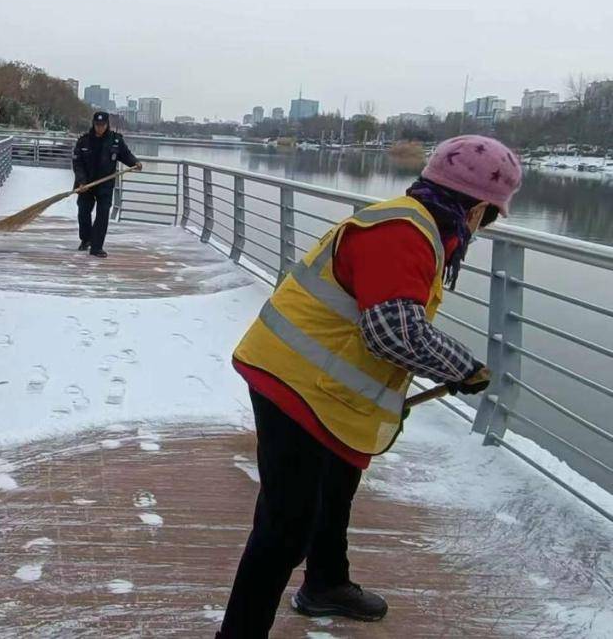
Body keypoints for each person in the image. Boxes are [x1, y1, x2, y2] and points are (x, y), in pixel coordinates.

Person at [217, 135, 523, 638]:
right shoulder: (403, 232)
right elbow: (393, 332)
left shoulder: (419, 224)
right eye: (490, 215)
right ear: (478, 209)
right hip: (294, 382)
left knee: (336, 484)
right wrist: (462, 367)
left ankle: (326, 583)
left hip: (322, 384)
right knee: (284, 527)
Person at [71, 111, 141, 257]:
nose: (100, 128)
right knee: (83, 212)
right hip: (86, 184)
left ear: (107, 124)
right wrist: (82, 181)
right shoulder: (84, 141)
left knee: (103, 214)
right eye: (97, 125)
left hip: (105, 184)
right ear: (93, 124)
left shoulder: (115, 140)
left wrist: (135, 162)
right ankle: (86, 239)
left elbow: (125, 155)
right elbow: (77, 164)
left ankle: (96, 247)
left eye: (102, 125)